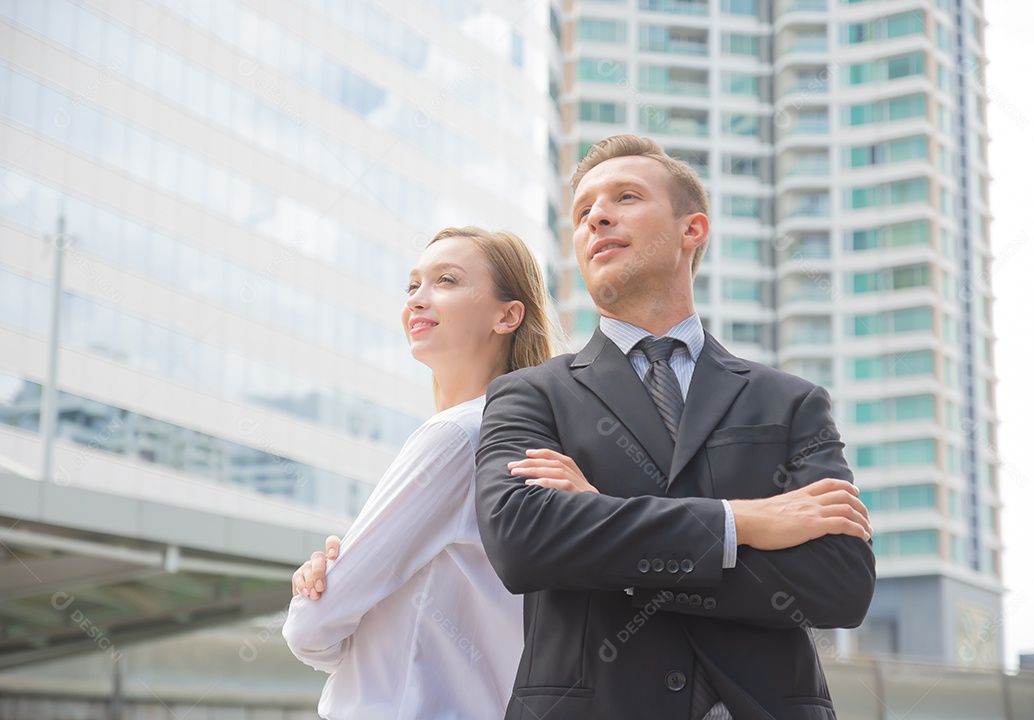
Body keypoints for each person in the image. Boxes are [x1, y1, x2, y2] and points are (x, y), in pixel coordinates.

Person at [474, 135, 876, 720]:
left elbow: (840, 582)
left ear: (693, 230)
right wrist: (741, 523)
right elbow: (520, 539)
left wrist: (602, 524)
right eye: (583, 211)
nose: (597, 217)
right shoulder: (530, 394)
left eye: (626, 197)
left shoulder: (791, 403)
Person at [281, 226, 560, 720]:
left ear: (508, 315)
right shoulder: (531, 438)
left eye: (446, 281)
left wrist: (320, 599)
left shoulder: (453, 438)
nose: (418, 300)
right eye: (413, 286)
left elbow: (310, 629)